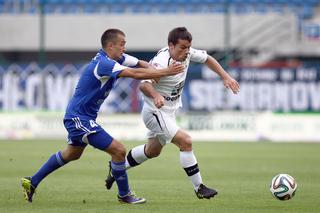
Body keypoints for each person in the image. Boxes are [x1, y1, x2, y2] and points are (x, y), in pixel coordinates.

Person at [21, 28, 184, 204]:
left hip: (82, 117)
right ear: (110, 45)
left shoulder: (117, 58)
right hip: (79, 118)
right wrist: (166, 72)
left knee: (72, 154)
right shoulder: (104, 64)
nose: (124, 48)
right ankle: (124, 195)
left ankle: (32, 181)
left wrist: (155, 70)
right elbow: (134, 74)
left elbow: (140, 64)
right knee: (119, 150)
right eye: (122, 44)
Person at [105, 27, 240, 199]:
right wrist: (156, 95)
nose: (186, 51)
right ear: (170, 45)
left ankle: (117, 167)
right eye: (182, 48)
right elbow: (144, 85)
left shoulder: (188, 53)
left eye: (188, 47)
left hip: (168, 112)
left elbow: (208, 59)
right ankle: (199, 188)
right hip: (155, 111)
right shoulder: (160, 62)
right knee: (186, 142)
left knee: (152, 151)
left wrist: (226, 77)